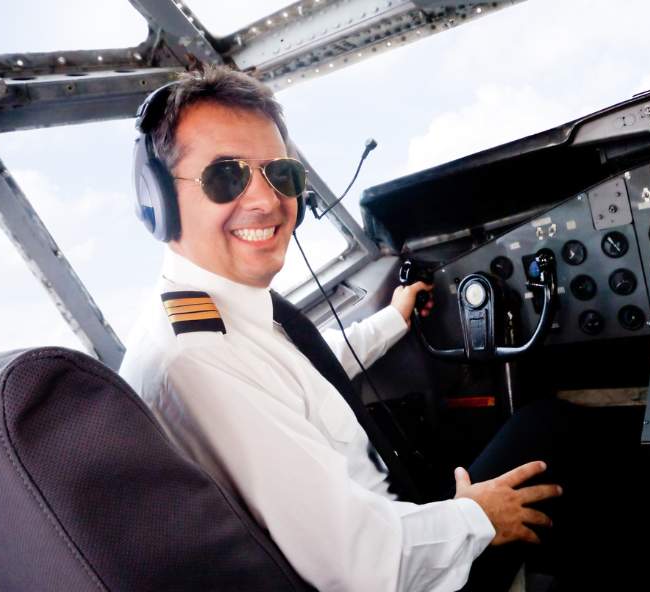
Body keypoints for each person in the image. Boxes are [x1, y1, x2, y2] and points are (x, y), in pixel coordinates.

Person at [119, 66, 565, 592]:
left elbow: (313, 365)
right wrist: (477, 516)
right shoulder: (195, 362)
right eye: (226, 176)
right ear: (159, 203)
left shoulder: (220, 317)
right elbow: (357, 565)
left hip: (393, 527)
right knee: (553, 427)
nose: (266, 200)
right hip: (395, 571)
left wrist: (395, 316)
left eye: (279, 174)